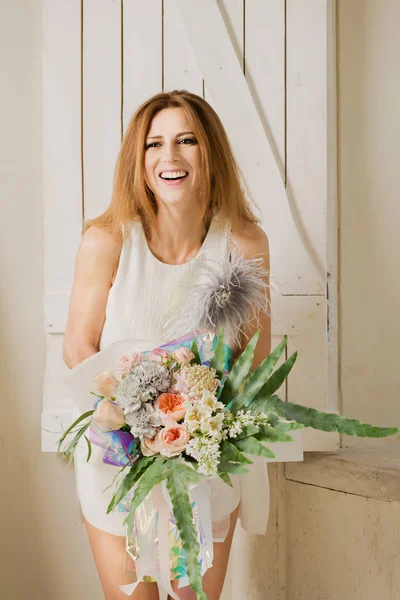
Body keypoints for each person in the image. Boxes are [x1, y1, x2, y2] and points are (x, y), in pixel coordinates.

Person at [63, 89, 271, 600]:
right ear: (139, 158)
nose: (169, 157)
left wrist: (200, 425)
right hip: (118, 461)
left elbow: (254, 359)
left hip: (206, 463)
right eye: (154, 144)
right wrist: (140, 420)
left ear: (210, 151)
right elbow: (79, 346)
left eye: (186, 141)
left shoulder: (243, 242)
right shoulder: (107, 239)